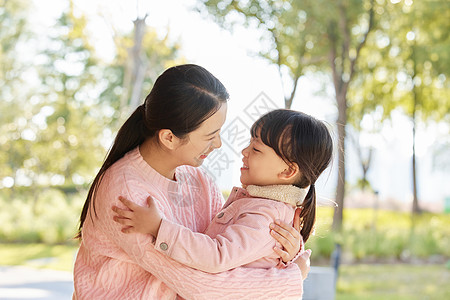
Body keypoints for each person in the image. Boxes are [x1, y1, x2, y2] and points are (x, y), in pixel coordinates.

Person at [73, 64, 310, 300]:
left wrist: (283, 250)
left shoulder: (197, 179)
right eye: (210, 135)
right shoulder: (126, 194)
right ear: (169, 137)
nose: (218, 144)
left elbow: (229, 249)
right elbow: (201, 286)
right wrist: (291, 276)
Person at [112, 109, 333, 274]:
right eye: (249, 142)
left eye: (256, 149)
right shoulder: (258, 205)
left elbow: (217, 255)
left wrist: (159, 227)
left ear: (288, 171)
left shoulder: (265, 217)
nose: (245, 151)